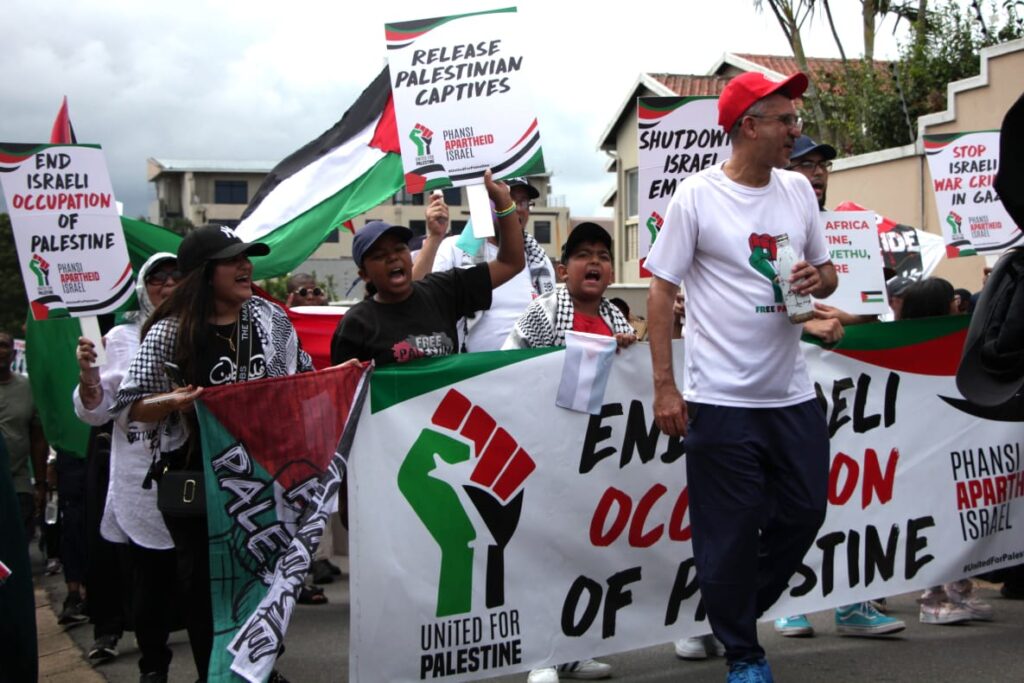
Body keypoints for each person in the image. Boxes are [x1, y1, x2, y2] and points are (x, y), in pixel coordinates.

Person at [646, 71, 838, 683]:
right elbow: (660, 292)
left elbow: (828, 276)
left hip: (791, 394)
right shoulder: (695, 196)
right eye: (785, 120)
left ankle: (727, 610)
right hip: (719, 400)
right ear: (748, 127)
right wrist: (664, 386)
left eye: (796, 119)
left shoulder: (798, 192)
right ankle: (744, 652)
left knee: (805, 511)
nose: (795, 130)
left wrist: (816, 279)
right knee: (726, 535)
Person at [113, 225, 313, 682]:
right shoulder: (169, 331)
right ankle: (214, 673)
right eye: (232, 260)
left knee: (262, 577)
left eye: (247, 257)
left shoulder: (268, 318)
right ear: (204, 274)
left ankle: (259, 668)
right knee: (205, 587)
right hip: (190, 482)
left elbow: (302, 377)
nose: (246, 267)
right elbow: (127, 409)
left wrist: (339, 379)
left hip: (261, 477)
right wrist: (174, 402)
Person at [772, 136, 904, 638]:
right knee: (796, 494)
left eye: (823, 165)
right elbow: (770, 306)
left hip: (855, 381)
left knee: (861, 489)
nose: (818, 172)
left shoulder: (854, 227)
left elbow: (872, 306)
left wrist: (845, 316)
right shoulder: (773, 223)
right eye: (805, 163)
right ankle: (791, 599)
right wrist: (811, 322)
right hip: (794, 376)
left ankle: (857, 600)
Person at [503, 222, 629, 682]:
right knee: (544, 555)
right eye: (582, 255)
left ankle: (573, 650)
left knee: (583, 554)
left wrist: (628, 353)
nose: (592, 262)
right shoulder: (541, 313)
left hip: (594, 462)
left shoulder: (618, 320)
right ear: (563, 269)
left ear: (611, 272)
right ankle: (542, 656)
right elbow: (505, 365)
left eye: (601, 254)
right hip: (544, 454)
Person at [74, 253, 181, 674]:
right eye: (158, 277)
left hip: (196, 470)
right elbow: (101, 410)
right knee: (150, 580)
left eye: (177, 275)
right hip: (142, 477)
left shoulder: (203, 329)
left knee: (198, 581)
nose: (168, 284)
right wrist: (88, 377)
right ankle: (153, 667)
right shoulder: (121, 337)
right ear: (143, 286)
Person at [331, 170, 525, 366]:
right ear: (364, 274)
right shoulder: (356, 324)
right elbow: (345, 392)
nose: (392, 258)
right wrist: (345, 379)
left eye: (399, 249)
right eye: (380, 256)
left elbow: (511, 263)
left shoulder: (443, 291)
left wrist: (503, 203)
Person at [898, 277, 994, 624]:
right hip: (924, 450)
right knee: (934, 520)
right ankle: (932, 597)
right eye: (951, 299)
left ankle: (958, 587)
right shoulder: (905, 345)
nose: (959, 302)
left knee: (957, 519)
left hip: (953, 444)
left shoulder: (960, 338)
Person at [412, 176, 556, 352]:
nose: (516, 209)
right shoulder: (455, 249)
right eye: (506, 199)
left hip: (527, 372)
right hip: (472, 374)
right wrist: (435, 237)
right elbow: (417, 301)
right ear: (486, 203)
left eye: (523, 202)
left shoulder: (540, 262)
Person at [0, 331, 47, 544]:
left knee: (16, 546)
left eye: (3, 345)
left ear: (13, 352)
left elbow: (38, 439)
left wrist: (40, 483)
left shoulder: (28, 388)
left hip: (17, 483)